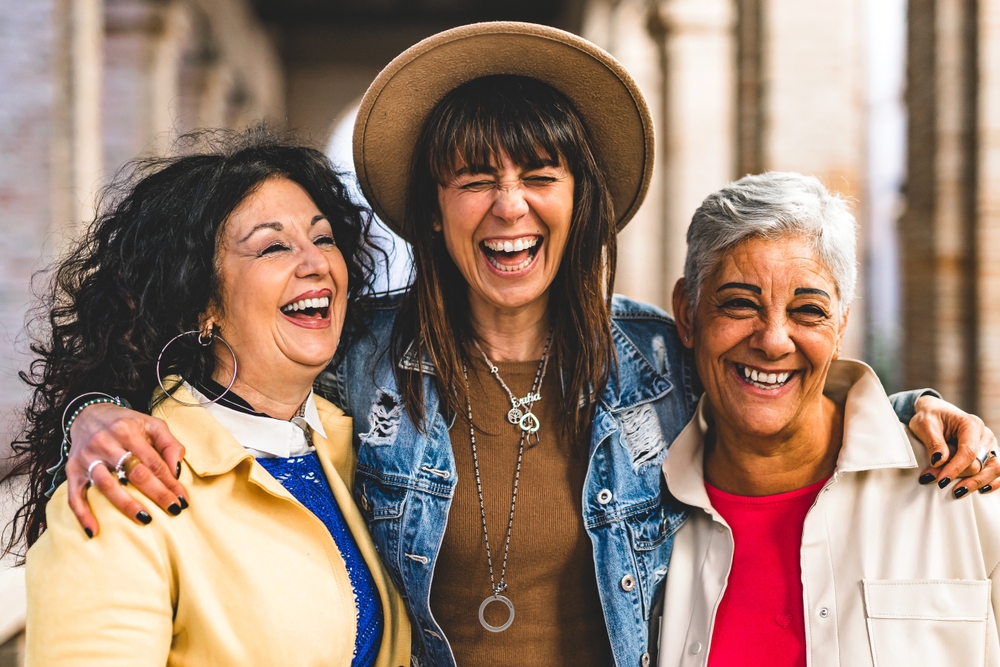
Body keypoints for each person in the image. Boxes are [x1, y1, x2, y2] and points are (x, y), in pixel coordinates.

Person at [55, 23, 998, 667]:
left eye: (538, 173)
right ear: (433, 208)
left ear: (578, 196)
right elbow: (211, 369)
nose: (510, 204)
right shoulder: (360, 356)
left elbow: (781, 384)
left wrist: (917, 415)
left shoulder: (656, 360)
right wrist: (91, 410)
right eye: (474, 177)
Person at [5, 128, 410, 666]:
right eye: (272, 247)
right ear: (202, 303)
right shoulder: (127, 491)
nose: (316, 263)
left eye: (324, 238)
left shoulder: (361, 442)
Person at [657, 172, 1000, 667]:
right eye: (738, 303)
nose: (773, 341)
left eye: (808, 311)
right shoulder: (639, 522)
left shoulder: (961, 491)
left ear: (841, 326)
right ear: (688, 315)